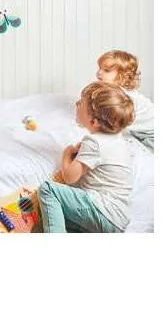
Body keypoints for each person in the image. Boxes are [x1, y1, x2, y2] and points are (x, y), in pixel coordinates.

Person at [37, 82, 135, 233]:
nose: (76, 104)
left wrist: (67, 153)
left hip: (104, 211)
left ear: (94, 122)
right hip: (119, 218)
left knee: (48, 189)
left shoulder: (94, 142)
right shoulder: (118, 141)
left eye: (81, 103)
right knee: (60, 219)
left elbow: (69, 177)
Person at [96, 50, 154, 151]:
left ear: (121, 76)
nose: (99, 72)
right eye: (100, 68)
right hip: (141, 133)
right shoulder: (113, 91)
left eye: (106, 70)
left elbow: (113, 121)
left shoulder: (124, 97)